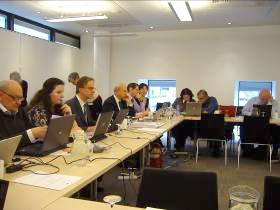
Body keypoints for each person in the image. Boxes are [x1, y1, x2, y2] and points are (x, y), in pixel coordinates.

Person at [0, 80, 47, 149]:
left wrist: (40, 133)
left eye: (21, 98)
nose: (19, 103)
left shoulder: (21, 111)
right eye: (15, 98)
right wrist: (32, 134)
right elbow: (2, 145)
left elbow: (31, 131)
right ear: (1, 95)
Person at [241, 89, 280, 159]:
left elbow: (277, 115)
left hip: (268, 127)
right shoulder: (252, 100)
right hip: (253, 127)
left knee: (277, 131)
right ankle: (246, 150)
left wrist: (269, 103)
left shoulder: (274, 102)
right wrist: (253, 114)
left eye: (266, 98)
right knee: (243, 127)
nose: (264, 100)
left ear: (270, 97)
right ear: (259, 96)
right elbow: (243, 111)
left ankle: (274, 152)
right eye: (262, 98)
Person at [197, 89, 220, 157]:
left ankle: (216, 149)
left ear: (206, 97)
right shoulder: (200, 103)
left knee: (217, 129)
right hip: (203, 126)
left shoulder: (212, 99)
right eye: (198, 98)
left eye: (201, 98)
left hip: (214, 126)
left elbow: (209, 111)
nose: (200, 100)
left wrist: (201, 109)